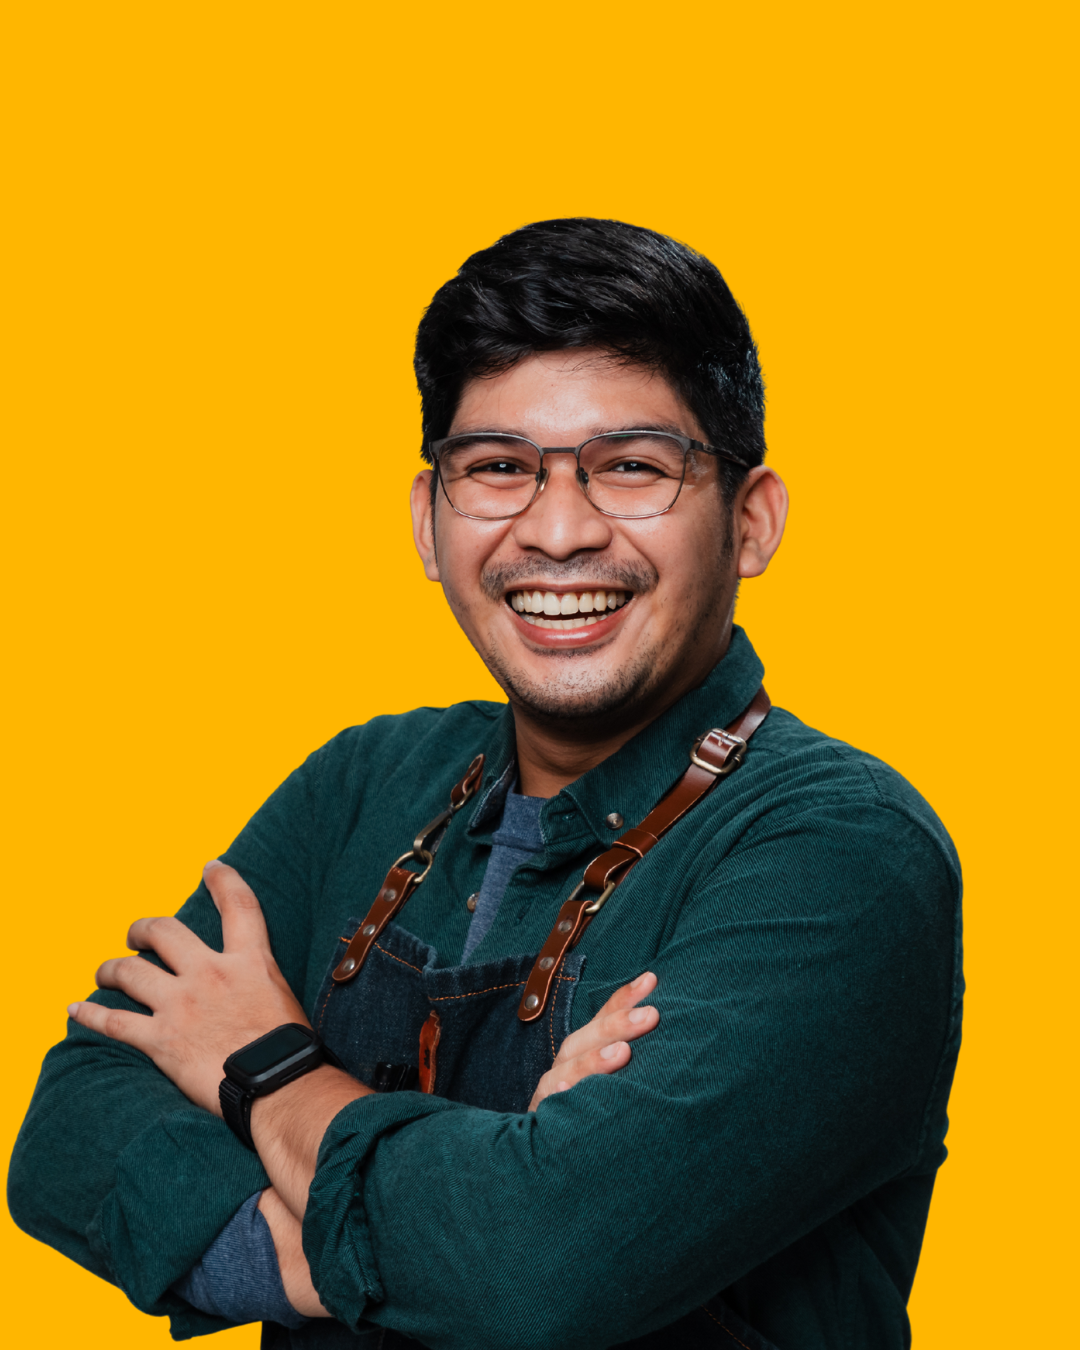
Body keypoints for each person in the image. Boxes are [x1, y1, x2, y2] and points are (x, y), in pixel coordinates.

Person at [9, 218, 962, 1350]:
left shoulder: (840, 853)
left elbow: (534, 1264)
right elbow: (68, 1135)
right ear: (429, 517)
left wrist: (265, 1067)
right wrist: (401, 1233)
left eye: (633, 467)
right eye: (499, 468)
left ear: (750, 521)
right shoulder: (365, 781)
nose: (558, 532)